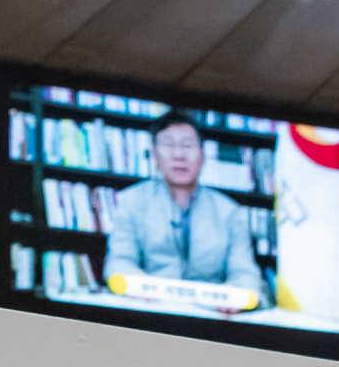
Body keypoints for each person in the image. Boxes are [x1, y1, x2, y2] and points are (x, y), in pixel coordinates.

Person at [100, 111, 264, 307]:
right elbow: (118, 263)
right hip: (149, 309)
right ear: (154, 156)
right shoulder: (131, 202)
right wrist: (138, 285)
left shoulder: (230, 212)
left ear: (203, 155)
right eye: (168, 145)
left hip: (210, 316)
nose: (179, 155)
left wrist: (235, 295)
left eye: (187, 145)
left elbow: (246, 274)